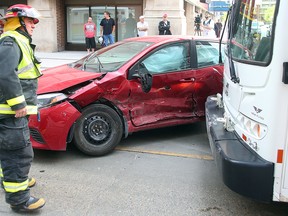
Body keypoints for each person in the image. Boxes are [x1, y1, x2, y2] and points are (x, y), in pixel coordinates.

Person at [0, 4, 45, 212]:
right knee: (19, 153)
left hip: (8, 112)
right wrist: (18, 104)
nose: (33, 26)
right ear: (18, 22)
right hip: (11, 112)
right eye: (30, 22)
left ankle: (11, 179)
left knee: (8, 153)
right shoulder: (11, 42)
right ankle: (19, 200)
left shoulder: (14, 41)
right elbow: (5, 74)